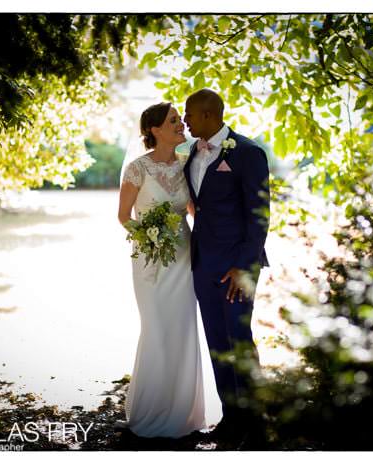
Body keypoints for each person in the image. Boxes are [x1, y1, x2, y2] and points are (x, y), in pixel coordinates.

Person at [183, 89, 270, 439]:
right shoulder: (193, 152)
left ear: (208, 114)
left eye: (189, 115)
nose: (186, 121)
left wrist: (244, 267)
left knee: (239, 339)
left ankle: (255, 421)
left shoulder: (248, 153)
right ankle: (231, 418)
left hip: (237, 267)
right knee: (217, 341)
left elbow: (259, 215)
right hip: (203, 264)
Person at [117, 102, 206, 438]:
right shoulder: (137, 169)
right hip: (150, 262)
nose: (181, 123)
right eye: (173, 120)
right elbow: (124, 215)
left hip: (183, 258)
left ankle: (183, 412)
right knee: (156, 328)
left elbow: (195, 211)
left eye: (180, 119)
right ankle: (150, 408)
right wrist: (148, 238)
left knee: (182, 329)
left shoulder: (187, 165)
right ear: (154, 129)